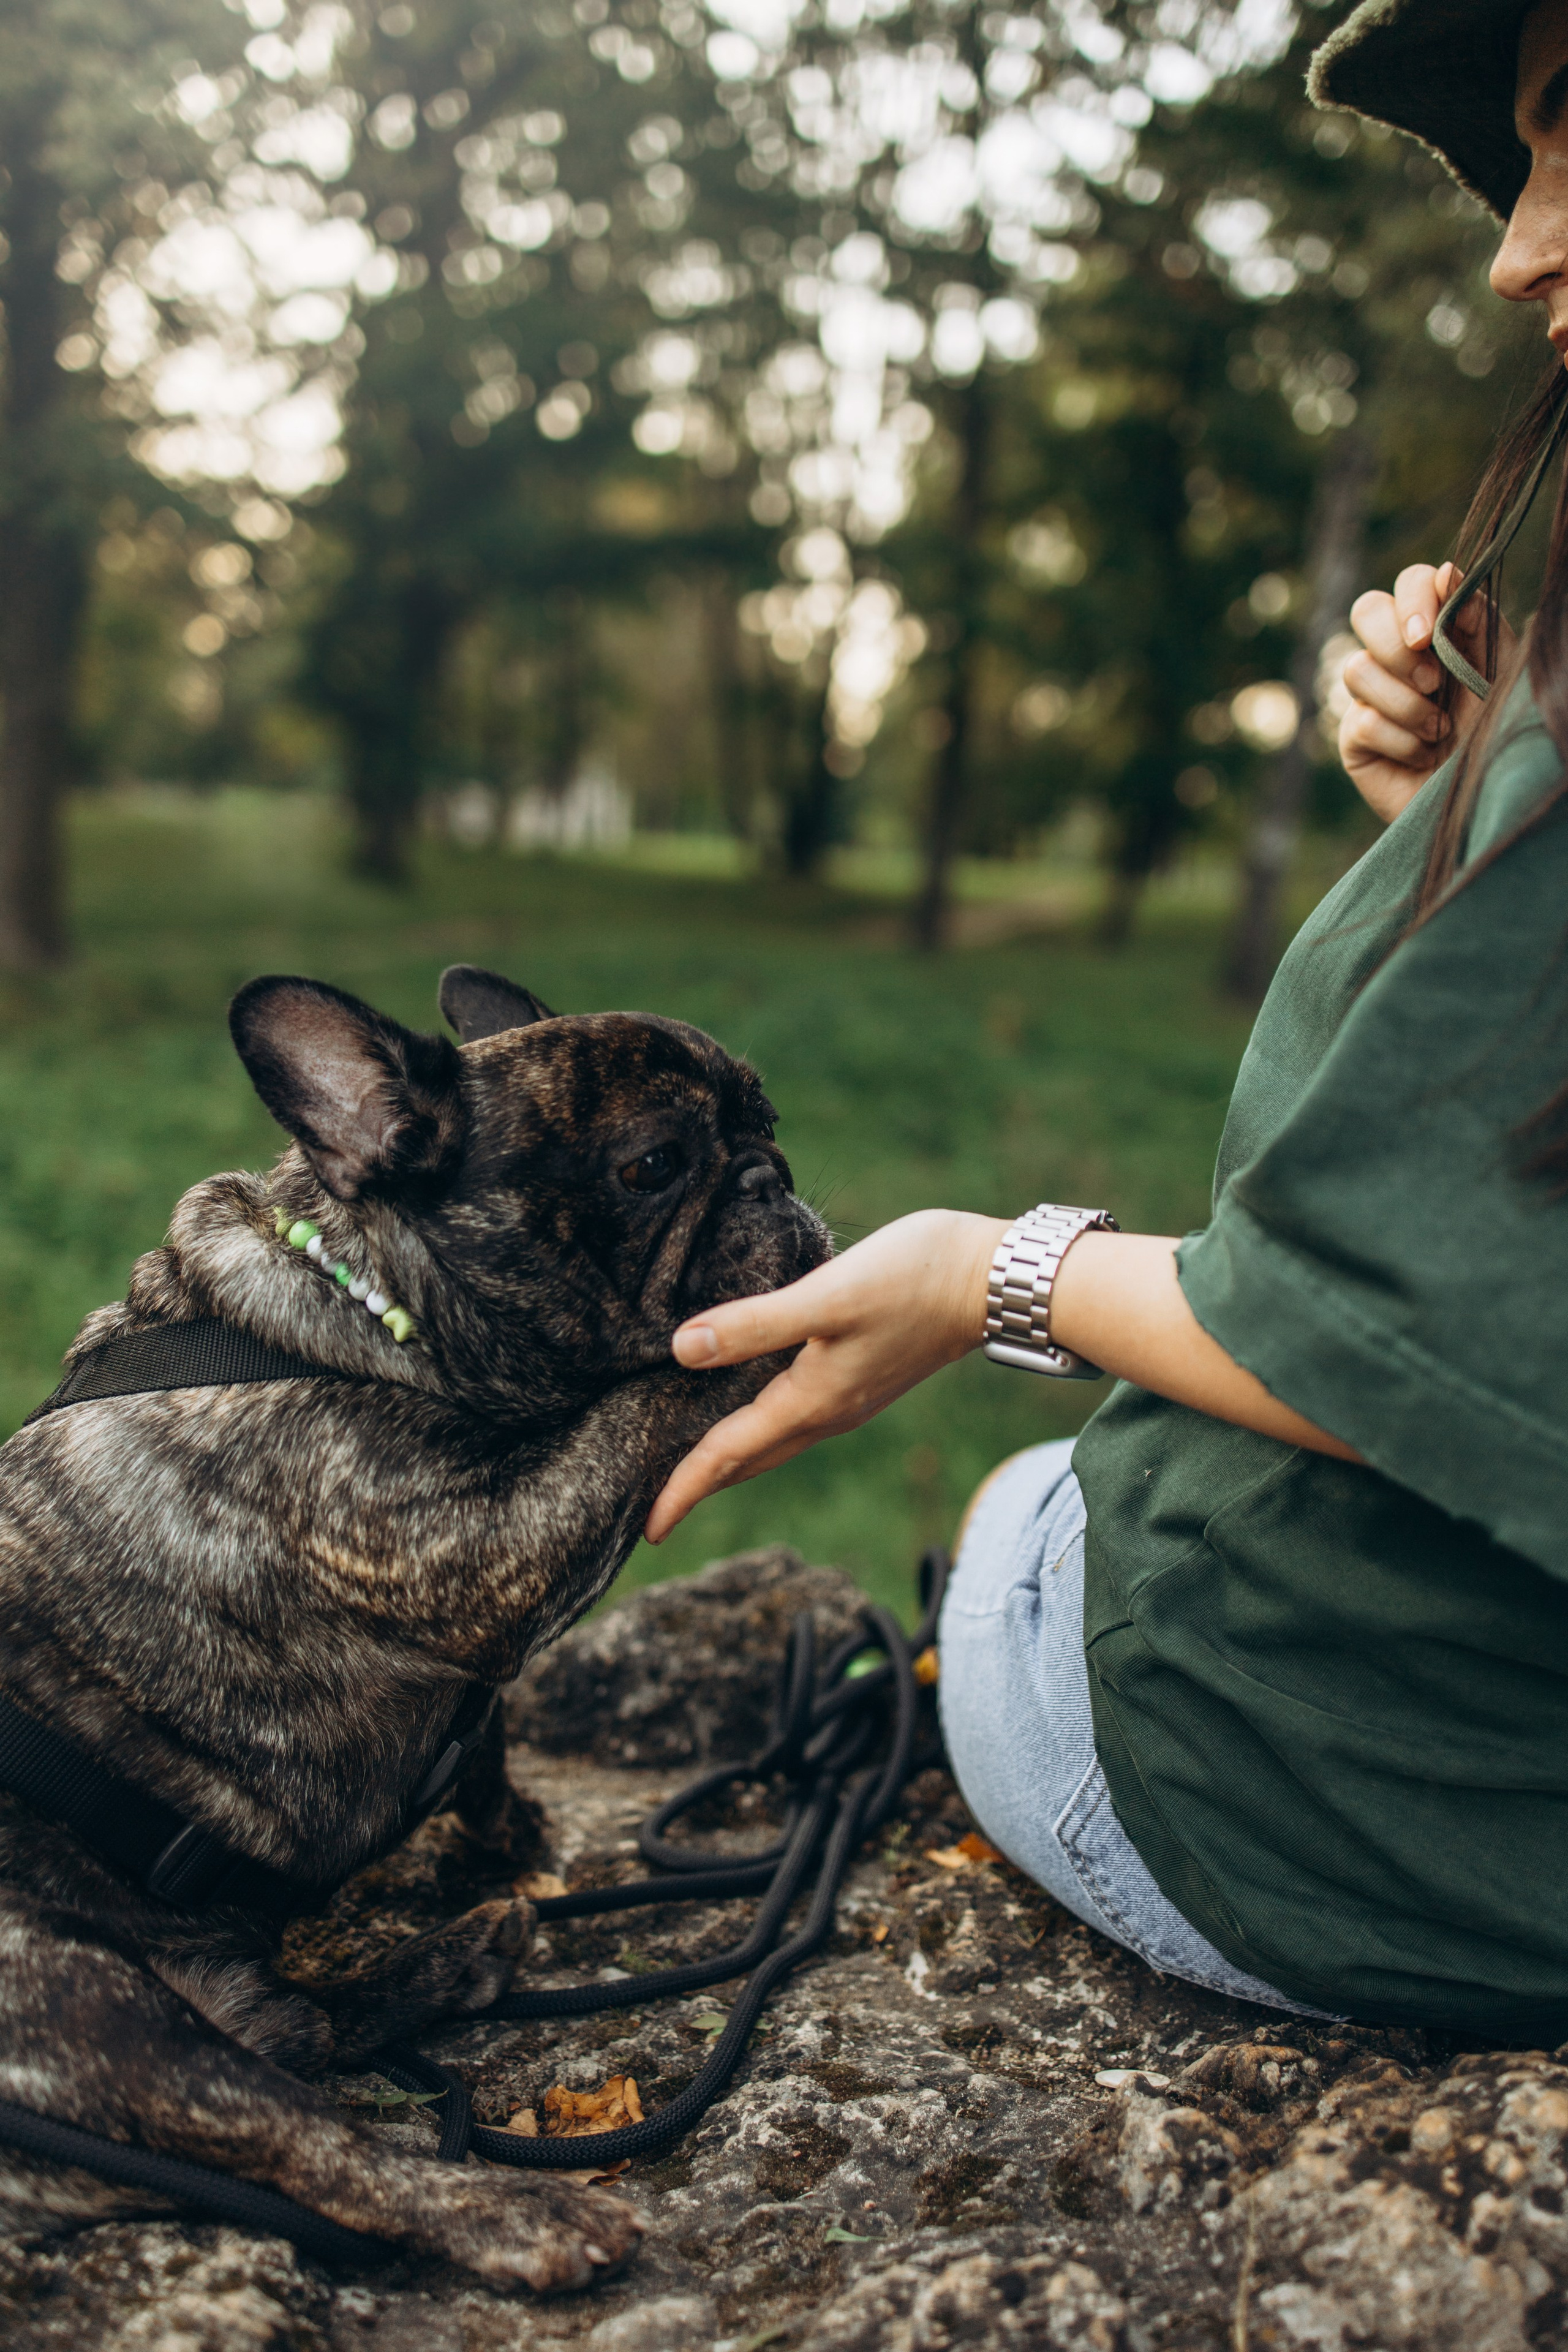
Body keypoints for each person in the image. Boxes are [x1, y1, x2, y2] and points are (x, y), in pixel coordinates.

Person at [647, 0, 1568, 2038]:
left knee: (1027, 1523)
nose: (1515, 246)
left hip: (1375, 1823)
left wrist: (994, 1274)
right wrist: (1462, 831)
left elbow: (1397, 1361)